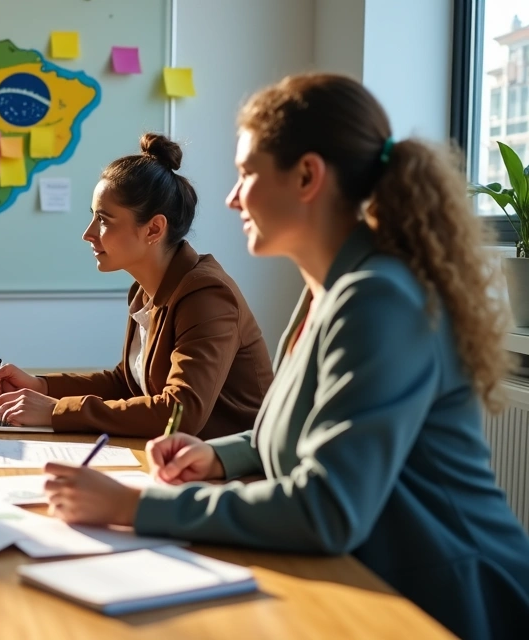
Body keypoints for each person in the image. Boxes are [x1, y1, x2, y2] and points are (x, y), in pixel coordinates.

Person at [42, 74, 529, 638]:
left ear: (306, 176)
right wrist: (217, 456)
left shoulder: (378, 298)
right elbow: (303, 428)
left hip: (454, 603)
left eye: (246, 173)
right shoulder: (327, 289)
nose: (232, 198)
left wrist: (133, 508)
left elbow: (327, 508)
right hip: (374, 584)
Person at [0, 134, 272, 438]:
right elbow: (127, 383)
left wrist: (55, 410)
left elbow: (179, 413)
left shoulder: (206, 295)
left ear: (153, 229)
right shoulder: (146, 289)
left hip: (232, 462)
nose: (88, 233)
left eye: (103, 220)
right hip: (179, 456)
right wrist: (40, 386)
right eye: (93, 217)